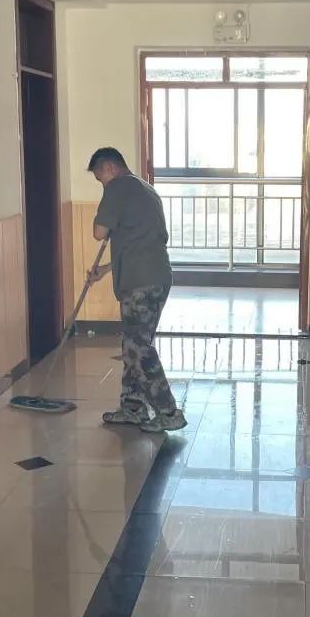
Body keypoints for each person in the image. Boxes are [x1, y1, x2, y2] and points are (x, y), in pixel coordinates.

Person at [85, 147, 187, 432]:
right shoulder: (145, 189)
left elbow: (99, 232)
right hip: (155, 276)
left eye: (100, 179)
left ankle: (169, 412)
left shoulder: (118, 188)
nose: (102, 185)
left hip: (141, 282)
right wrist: (106, 269)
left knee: (137, 347)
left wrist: (107, 213)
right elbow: (138, 242)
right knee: (133, 344)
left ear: (109, 168)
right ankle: (133, 407)